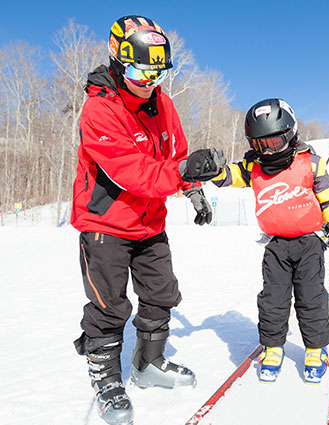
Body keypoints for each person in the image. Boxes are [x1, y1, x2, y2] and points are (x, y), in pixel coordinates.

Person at [70, 15, 212, 425]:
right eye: (138, 70)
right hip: (106, 226)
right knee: (109, 305)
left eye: (156, 70)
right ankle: (107, 379)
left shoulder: (164, 104)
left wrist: (193, 188)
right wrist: (182, 175)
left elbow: (174, 154)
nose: (148, 80)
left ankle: (148, 364)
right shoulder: (99, 110)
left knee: (161, 293)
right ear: (117, 60)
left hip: (150, 224)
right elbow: (132, 173)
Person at [180, 98, 329, 385]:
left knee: (311, 299)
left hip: (309, 243)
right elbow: (230, 175)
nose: (268, 150)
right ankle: (272, 347)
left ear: (290, 134)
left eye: (274, 142)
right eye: (261, 145)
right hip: (276, 246)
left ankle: (315, 349)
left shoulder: (311, 164)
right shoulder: (254, 166)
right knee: (273, 300)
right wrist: (211, 170)